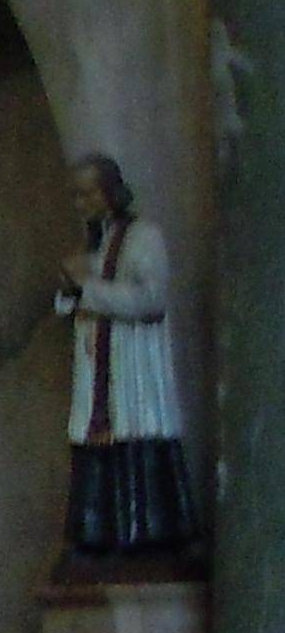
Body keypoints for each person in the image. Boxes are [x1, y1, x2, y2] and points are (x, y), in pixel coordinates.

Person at [56, 153, 198, 564]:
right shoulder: (96, 241)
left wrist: (88, 290)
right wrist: (70, 290)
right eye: (76, 195)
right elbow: (82, 291)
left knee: (136, 444)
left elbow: (151, 299)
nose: (81, 203)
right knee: (96, 446)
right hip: (99, 362)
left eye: (87, 193)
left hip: (132, 367)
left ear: (109, 192)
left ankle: (148, 535)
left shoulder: (143, 238)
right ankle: (96, 535)